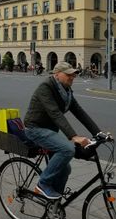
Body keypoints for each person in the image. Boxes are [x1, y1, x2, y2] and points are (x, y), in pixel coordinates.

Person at [24, 61, 101, 200]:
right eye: (69, 74)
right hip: (35, 128)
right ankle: (43, 184)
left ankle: (54, 203)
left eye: (74, 75)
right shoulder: (46, 87)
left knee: (65, 169)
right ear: (57, 74)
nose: (72, 77)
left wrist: (98, 133)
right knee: (68, 149)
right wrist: (73, 136)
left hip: (49, 131)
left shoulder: (66, 91)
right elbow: (55, 113)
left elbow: (79, 112)